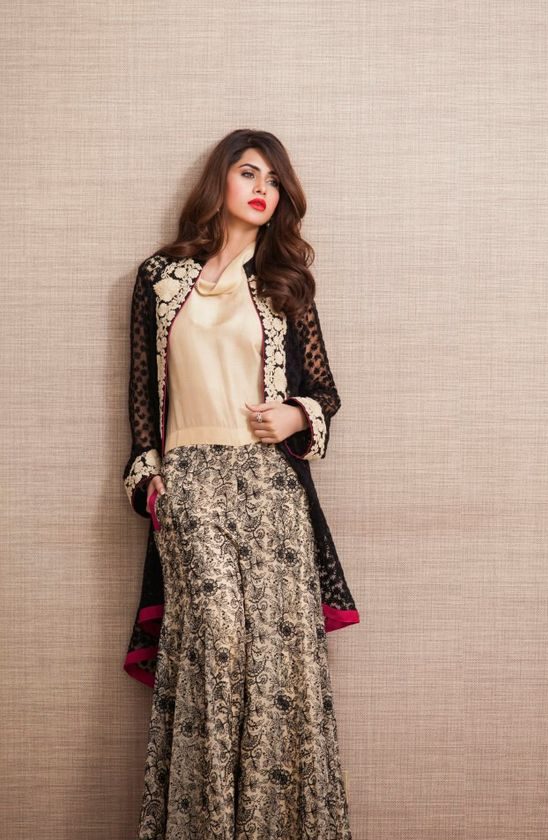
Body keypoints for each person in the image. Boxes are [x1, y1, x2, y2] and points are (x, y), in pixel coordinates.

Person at [123, 128, 360, 839]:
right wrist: (151, 482)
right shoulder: (160, 278)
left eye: (274, 181)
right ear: (219, 181)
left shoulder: (285, 280)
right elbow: (142, 400)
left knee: (279, 665)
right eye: (249, 173)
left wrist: (294, 414)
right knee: (217, 643)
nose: (263, 189)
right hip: (191, 484)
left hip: (271, 489)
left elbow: (325, 392)